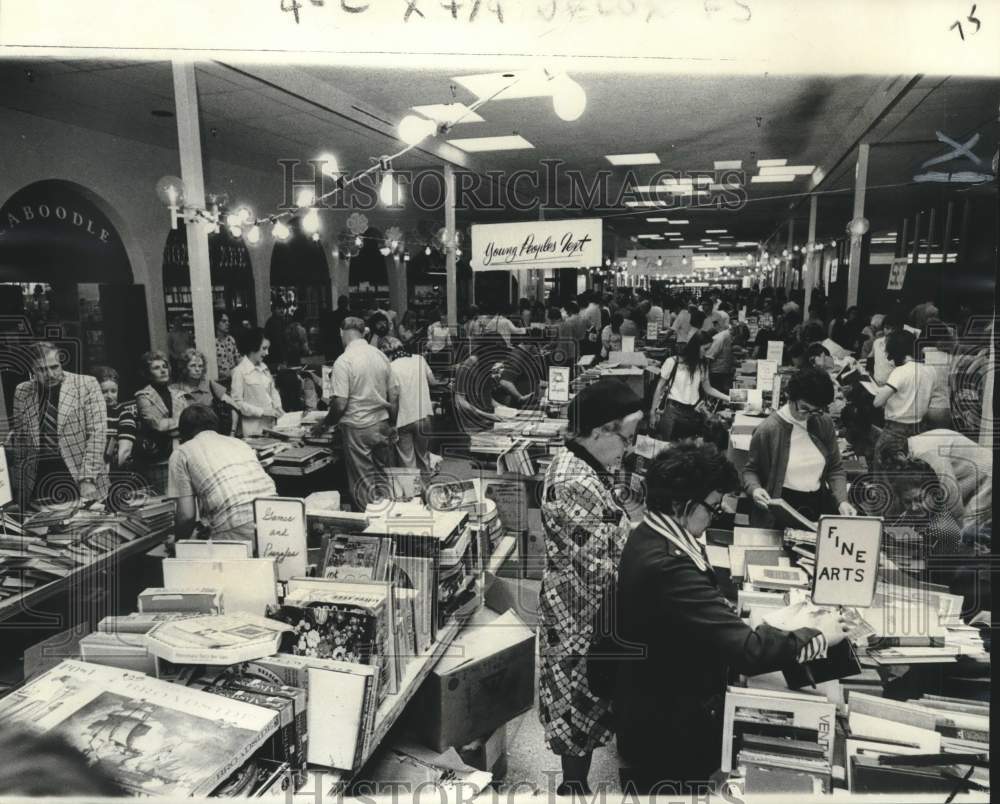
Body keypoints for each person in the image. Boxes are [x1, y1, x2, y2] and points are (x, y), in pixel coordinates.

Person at [613, 443, 850, 792]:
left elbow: (690, 613)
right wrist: (817, 634)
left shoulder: (652, 533)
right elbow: (746, 651)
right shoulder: (668, 563)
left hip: (656, 704)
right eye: (711, 507)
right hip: (669, 726)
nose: (715, 514)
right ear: (683, 504)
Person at [537, 379, 644, 796]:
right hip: (580, 613)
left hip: (578, 607)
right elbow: (599, 569)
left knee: (579, 702)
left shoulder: (581, 463)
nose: (629, 448)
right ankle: (573, 788)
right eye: (626, 437)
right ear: (599, 431)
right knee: (576, 705)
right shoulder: (575, 482)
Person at [744, 367, 858, 522]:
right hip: (782, 507)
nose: (808, 415)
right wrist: (755, 489)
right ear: (789, 396)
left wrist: (842, 501)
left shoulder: (823, 422)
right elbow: (750, 470)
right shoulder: (768, 429)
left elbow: (835, 468)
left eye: (815, 411)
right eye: (804, 408)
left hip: (817, 504)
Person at [6, 342, 108, 507]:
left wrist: (87, 478)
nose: (50, 374)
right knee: (48, 531)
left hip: (80, 475)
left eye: (55, 367)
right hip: (39, 479)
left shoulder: (86, 385)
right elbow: (21, 442)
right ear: (31, 370)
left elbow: (97, 434)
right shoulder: (22, 392)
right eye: (42, 370)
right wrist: (20, 488)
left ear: (61, 363)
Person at [315, 317, 400, 509]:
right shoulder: (380, 356)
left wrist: (324, 424)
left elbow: (340, 403)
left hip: (357, 427)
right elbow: (394, 394)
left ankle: (371, 527)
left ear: (341, 333)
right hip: (382, 422)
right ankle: (388, 518)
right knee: (382, 476)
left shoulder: (343, 361)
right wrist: (392, 422)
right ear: (364, 333)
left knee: (363, 482)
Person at [168, 405, 277, 542]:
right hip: (276, 516)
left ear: (183, 432)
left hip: (236, 524)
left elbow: (186, 515)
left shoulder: (181, 453)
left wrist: (178, 542)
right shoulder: (239, 443)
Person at [902, 429, 992, 543]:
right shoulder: (913, 447)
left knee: (963, 535)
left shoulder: (927, 453)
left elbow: (952, 496)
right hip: (971, 477)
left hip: (989, 475)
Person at [872, 329, 937, 463]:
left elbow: (877, 402)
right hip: (919, 430)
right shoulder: (931, 371)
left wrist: (882, 393)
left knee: (884, 476)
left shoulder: (900, 372)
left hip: (895, 431)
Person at [650, 331, 729, 441]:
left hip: (692, 414)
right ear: (695, 347)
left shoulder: (703, 365)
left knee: (687, 450)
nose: (706, 353)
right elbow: (659, 388)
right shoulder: (672, 362)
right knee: (668, 448)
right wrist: (652, 413)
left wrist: (728, 398)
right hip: (672, 412)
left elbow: (708, 388)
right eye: (705, 349)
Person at [134, 350, 186, 495]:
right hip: (160, 457)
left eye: (164, 366)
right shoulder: (143, 396)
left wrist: (173, 424)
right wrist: (180, 422)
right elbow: (157, 425)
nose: (163, 370)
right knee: (165, 498)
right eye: (156, 368)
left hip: (182, 452)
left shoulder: (178, 394)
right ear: (147, 373)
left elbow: (189, 422)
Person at [386, 345, 436, 472]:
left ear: (390, 355)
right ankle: (426, 489)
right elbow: (433, 381)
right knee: (423, 457)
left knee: (408, 462)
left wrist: (392, 423)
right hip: (424, 416)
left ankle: (413, 491)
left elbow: (394, 397)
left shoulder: (391, 367)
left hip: (404, 420)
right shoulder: (420, 359)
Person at [230, 327, 285, 437]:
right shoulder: (239, 371)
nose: (267, 353)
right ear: (253, 347)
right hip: (253, 430)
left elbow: (273, 391)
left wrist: (279, 408)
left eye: (268, 348)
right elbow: (237, 403)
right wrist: (262, 411)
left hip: (271, 427)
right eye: (264, 348)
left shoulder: (264, 368)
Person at [170, 348, 233, 422]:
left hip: (210, 429)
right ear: (184, 367)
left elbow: (234, 406)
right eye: (193, 365)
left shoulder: (209, 385)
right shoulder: (175, 389)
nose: (197, 369)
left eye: (200, 366)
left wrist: (232, 431)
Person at [93, 366, 137, 470]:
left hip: (112, 470)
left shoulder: (124, 414)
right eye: (104, 392)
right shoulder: (89, 413)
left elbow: (125, 450)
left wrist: (108, 470)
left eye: (113, 391)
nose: (109, 396)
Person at [704, 317, 735, 395]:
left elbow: (709, 356)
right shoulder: (723, 336)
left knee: (718, 393)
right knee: (718, 393)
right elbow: (709, 356)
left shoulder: (722, 337)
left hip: (719, 371)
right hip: (720, 371)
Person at [319, 295, 351, 362]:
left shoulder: (331, 315)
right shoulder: (349, 315)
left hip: (333, 344)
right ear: (347, 304)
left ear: (338, 303)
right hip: (345, 343)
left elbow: (327, 332)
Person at [214, 309, 240, 386]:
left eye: (228, 321)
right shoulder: (212, 342)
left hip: (235, 380)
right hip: (220, 382)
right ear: (216, 324)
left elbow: (237, 358)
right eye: (224, 321)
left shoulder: (230, 339)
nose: (227, 323)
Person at [263, 300, 288, 369]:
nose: (282, 310)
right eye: (279, 308)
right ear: (273, 310)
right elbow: (278, 342)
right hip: (275, 357)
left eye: (283, 308)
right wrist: (283, 359)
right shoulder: (274, 323)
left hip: (275, 357)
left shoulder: (278, 321)